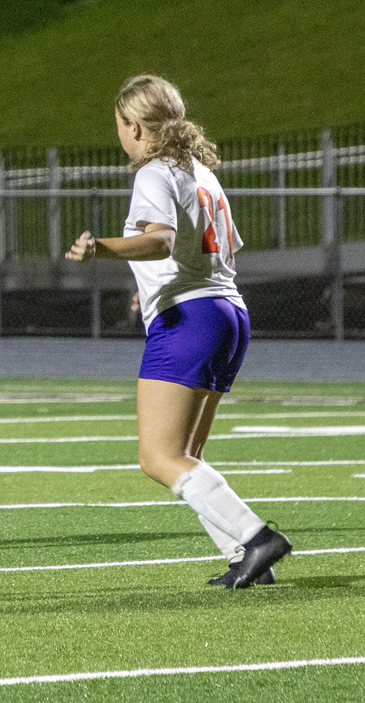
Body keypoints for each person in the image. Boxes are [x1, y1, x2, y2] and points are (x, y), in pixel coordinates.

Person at [65, 74, 292, 589]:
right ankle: (247, 556)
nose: (119, 136)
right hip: (228, 313)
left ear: (136, 126)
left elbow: (162, 241)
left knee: (158, 457)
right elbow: (220, 248)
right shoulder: (202, 173)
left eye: (120, 126)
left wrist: (101, 247)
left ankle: (257, 538)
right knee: (186, 454)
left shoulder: (153, 173)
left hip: (190, 319)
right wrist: (147, 286)